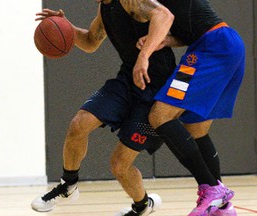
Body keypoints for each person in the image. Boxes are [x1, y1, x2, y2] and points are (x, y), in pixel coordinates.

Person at [31, 1, 177, 215]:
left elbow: (164, 15)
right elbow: (91, 41)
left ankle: (142, 206)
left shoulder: (131, 1)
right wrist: (65, 27)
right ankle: (68, 185)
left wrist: (144, 56)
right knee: (79, 123)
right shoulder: (105, 8)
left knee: (119, 165)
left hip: (156, 90)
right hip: (128, 80)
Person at [133, 0, 245, 216]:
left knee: (160, 116)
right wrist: (166, 40)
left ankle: (211, 188)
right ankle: (222, 206)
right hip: (224, 44)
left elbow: (170, 18)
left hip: (210, 49)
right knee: (196, 129)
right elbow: (191, 28)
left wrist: (144, 55)